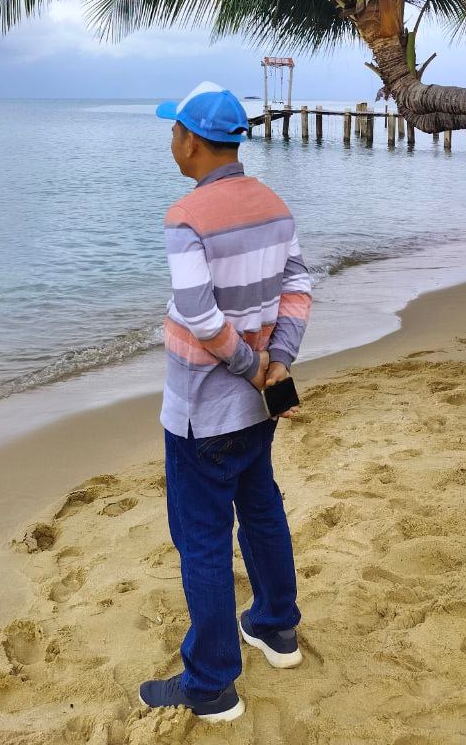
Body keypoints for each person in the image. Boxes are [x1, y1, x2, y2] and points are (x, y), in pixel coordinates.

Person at [138, 81, 313, 724]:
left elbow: (198, 313)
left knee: (203, 539)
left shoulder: (186, 217)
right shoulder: (273, 205)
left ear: (192, 141)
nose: (171, 140)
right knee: (261, 508)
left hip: (202, 411)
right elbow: (298, 285)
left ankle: (211, 683)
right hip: (256, 408)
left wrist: (249, 366)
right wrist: (277, 359)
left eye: (175, 130)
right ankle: (276, 626)